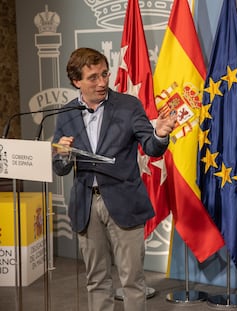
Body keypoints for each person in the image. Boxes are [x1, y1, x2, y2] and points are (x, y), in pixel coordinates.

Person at [52, 47, 176, 311]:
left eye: (105, 74)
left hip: (124, 200)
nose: (102, 82)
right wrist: (62, 155)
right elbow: (59, 167)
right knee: (96, 279)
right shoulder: (65, 113)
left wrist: (161, 135)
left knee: (132, 279)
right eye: (93, 77)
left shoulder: (128, 106)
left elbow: (151, 147)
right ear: (77, 82)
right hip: (86, 204)